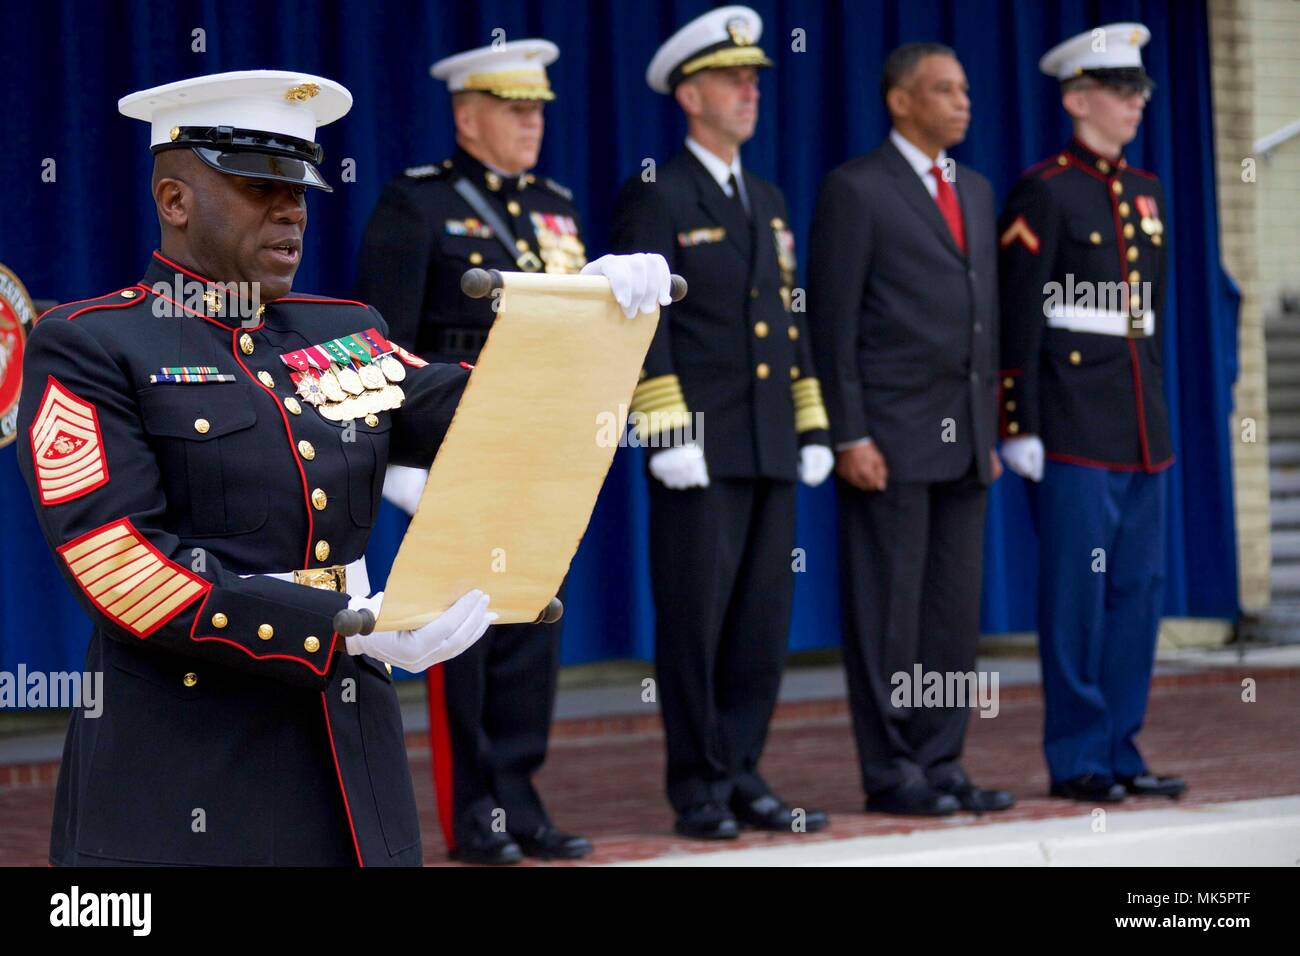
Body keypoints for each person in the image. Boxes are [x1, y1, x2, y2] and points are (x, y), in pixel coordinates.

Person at [17, 69, 670, 866]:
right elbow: (120, 568)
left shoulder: (343, 329)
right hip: (186, 762)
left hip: (348, 749)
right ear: (174, 200)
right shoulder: (94, 343)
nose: (291, 208)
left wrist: (587, 328)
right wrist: (345, 630)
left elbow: (497, 419)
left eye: (299, 187)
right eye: (258, 185)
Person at [354, 40, 639, 864]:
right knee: (463, 635)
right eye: (515, 108)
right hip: (456, 445)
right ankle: (474, 811)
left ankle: (521, 797)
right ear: (466, 114)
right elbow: (380, 341)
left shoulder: (555, 204)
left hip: (541, 443)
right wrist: (402, 459)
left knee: (530, 623)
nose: (533, 121)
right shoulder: (417, 203)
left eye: (540, 108)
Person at [610, 5, 835, 840]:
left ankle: (744, 769)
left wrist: (811, 421)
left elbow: (790, 317)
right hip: (697, 446)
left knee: (761, 623)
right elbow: (639, 319)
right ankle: (699, 786)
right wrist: (664, 431)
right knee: (697, 622)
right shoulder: (657, 192)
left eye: (755, 81)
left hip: (769, 439)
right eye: (734, 80)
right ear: (690, 94)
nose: (751, 91)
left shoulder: (767, 198)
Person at [806, 43, 1014, 817]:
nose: (963, 102)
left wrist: (990, 425)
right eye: (944, 89)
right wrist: (848, 433)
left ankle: (943, 759)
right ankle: (894, 769)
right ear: (900, 100)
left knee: (952, 614)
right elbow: (833, 326)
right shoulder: (856, 190)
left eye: (965, 89)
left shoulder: (978, 189)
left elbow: (982, 320)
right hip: (888, 441)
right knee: (887, 615)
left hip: (966, 441)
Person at [998, 23, 1186, 803]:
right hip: (1072, 426)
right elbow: (1020, 316)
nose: (1136, 102)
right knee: (1076, 596)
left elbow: (1152, 314)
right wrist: (1018, 421)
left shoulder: (1145, 192)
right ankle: (1078, 756)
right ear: (1077, 98)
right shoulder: (1046, 188)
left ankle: (1121, 747)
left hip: (1141, 426)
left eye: (1140, 89)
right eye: (1120, 90)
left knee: (1136, 593)